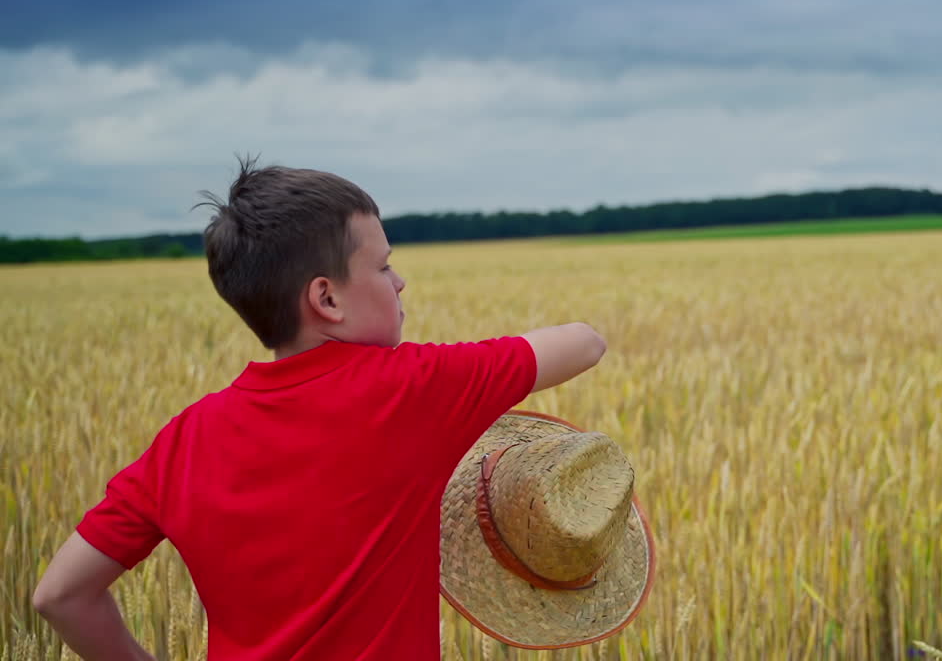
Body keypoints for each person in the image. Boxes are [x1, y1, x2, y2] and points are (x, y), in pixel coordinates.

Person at [31, 159, 608, 660]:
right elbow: (584, 342)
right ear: (326, 298)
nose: (399, 282)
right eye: (382, 266)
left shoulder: (184, 438)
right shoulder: (410, 390)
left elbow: (59, 596)